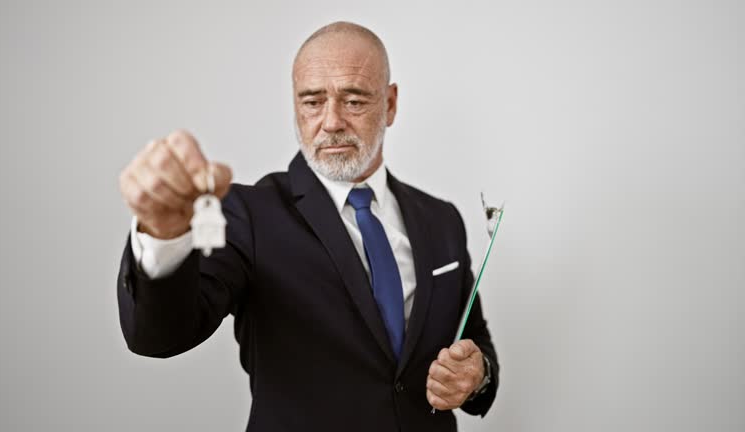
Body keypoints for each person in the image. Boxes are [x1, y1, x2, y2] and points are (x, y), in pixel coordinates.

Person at [116, 21, 499, 432]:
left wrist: (478, 376)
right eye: (313, 102)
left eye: (353, 101)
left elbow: (474, 340)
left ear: (389, 104)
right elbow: (159, 336)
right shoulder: (248, 214)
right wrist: (164, 235)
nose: (331, 122)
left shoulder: (441, 220)